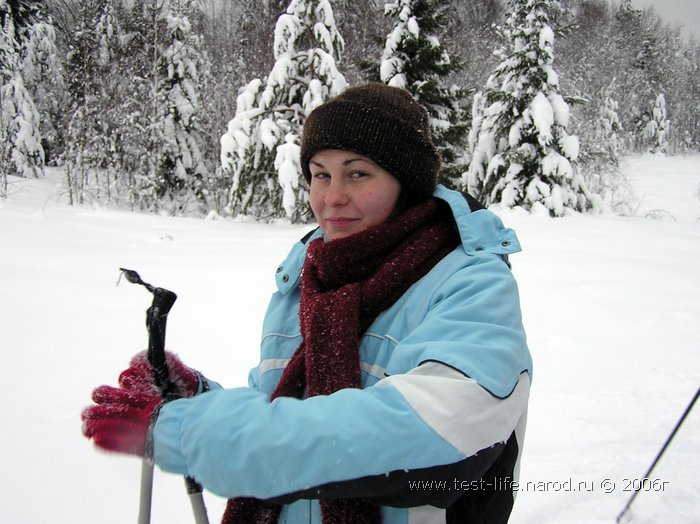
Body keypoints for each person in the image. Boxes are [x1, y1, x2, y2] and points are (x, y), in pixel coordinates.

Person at [82, 83, 532, 524]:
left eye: (358, 173)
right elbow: (289, 415)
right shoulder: (308, 277)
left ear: (406, 183)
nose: (331, 197)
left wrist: (193, 431)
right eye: (320, 174)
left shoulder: (472, 284)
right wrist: (200, 399)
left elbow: (428, 437)